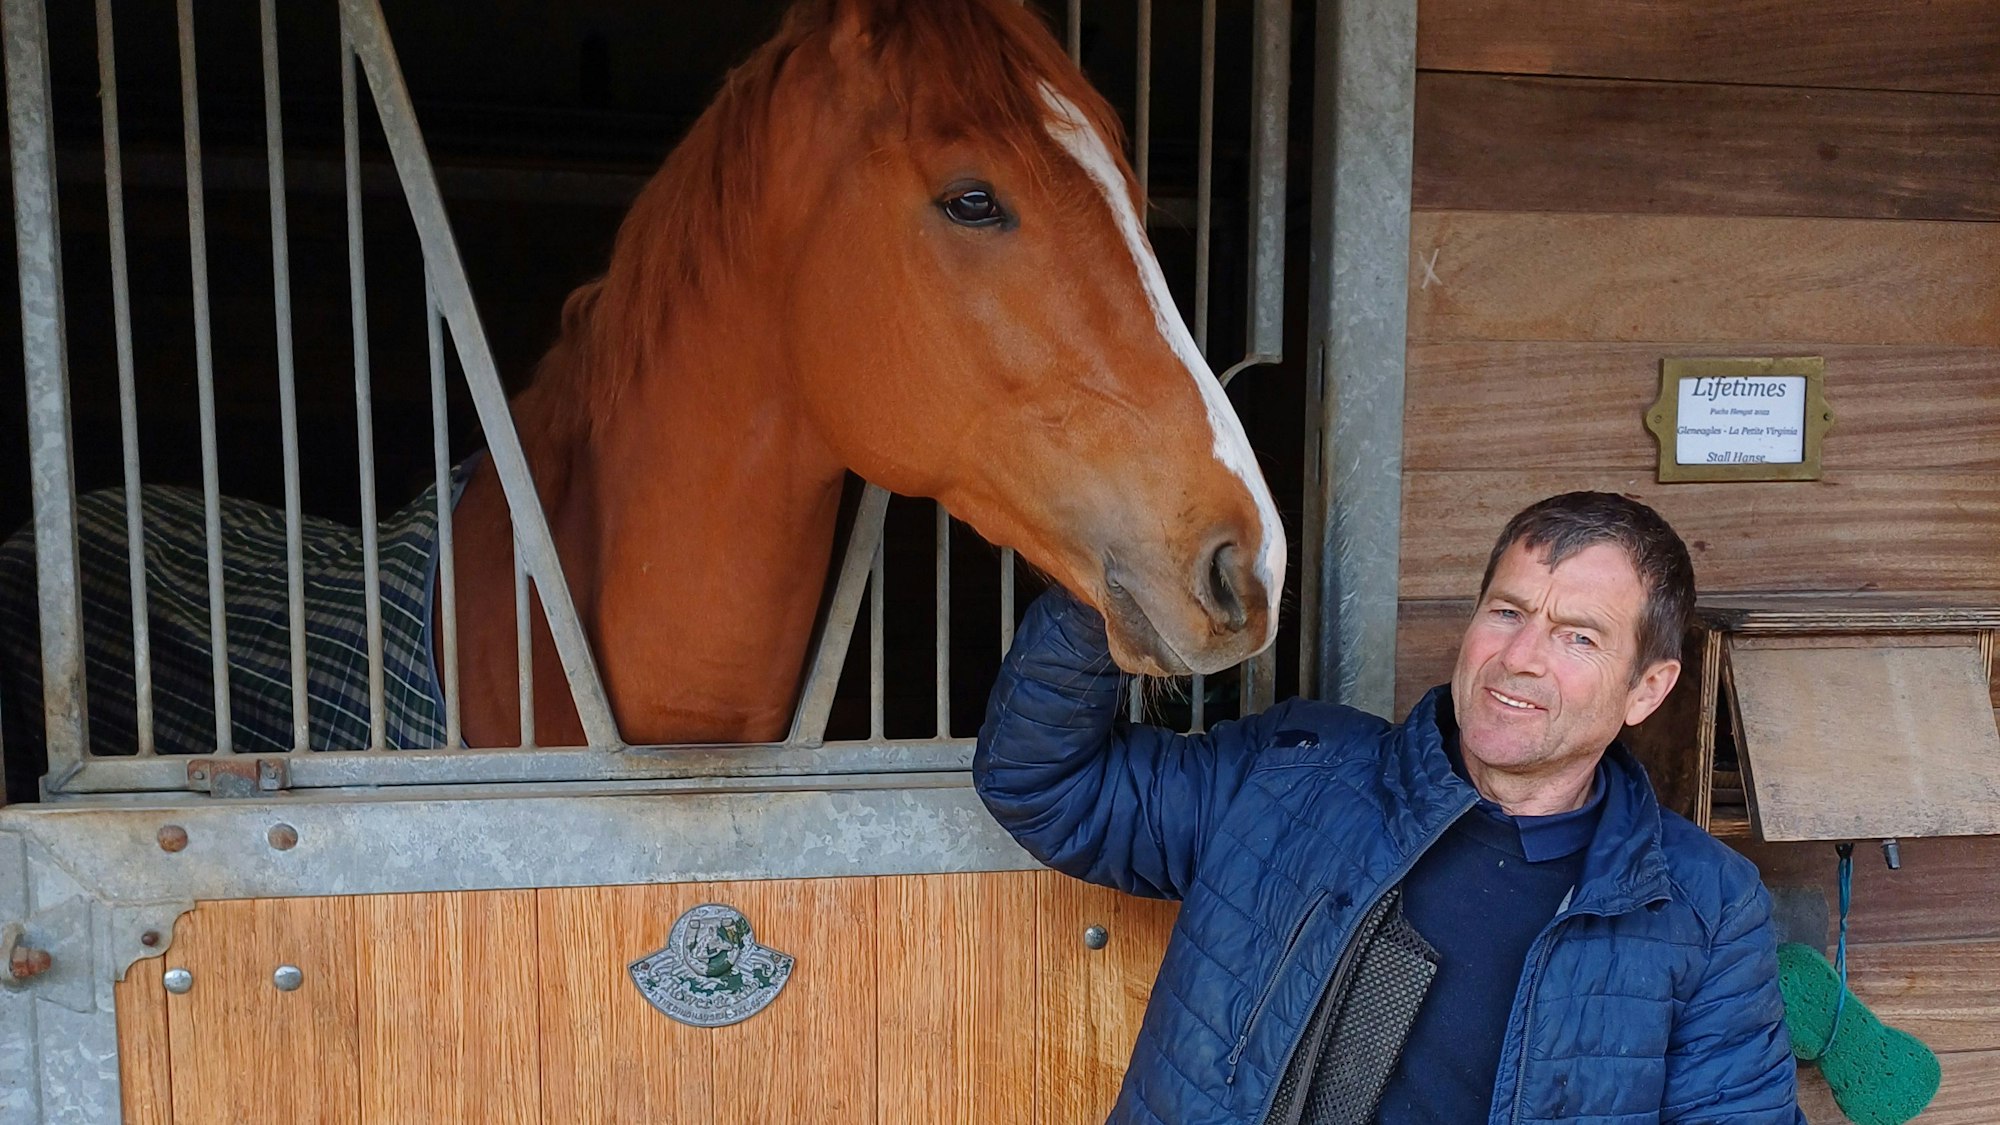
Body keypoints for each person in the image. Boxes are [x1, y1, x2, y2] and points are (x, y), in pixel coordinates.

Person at [973, 491, 1804, 1124]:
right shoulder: (1296, 775)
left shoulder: (1702, 906)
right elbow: (1047, 784)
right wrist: (1106, 585)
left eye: (1577, 636)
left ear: (1647, 688)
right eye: (1507, 612)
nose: (1520, 658)